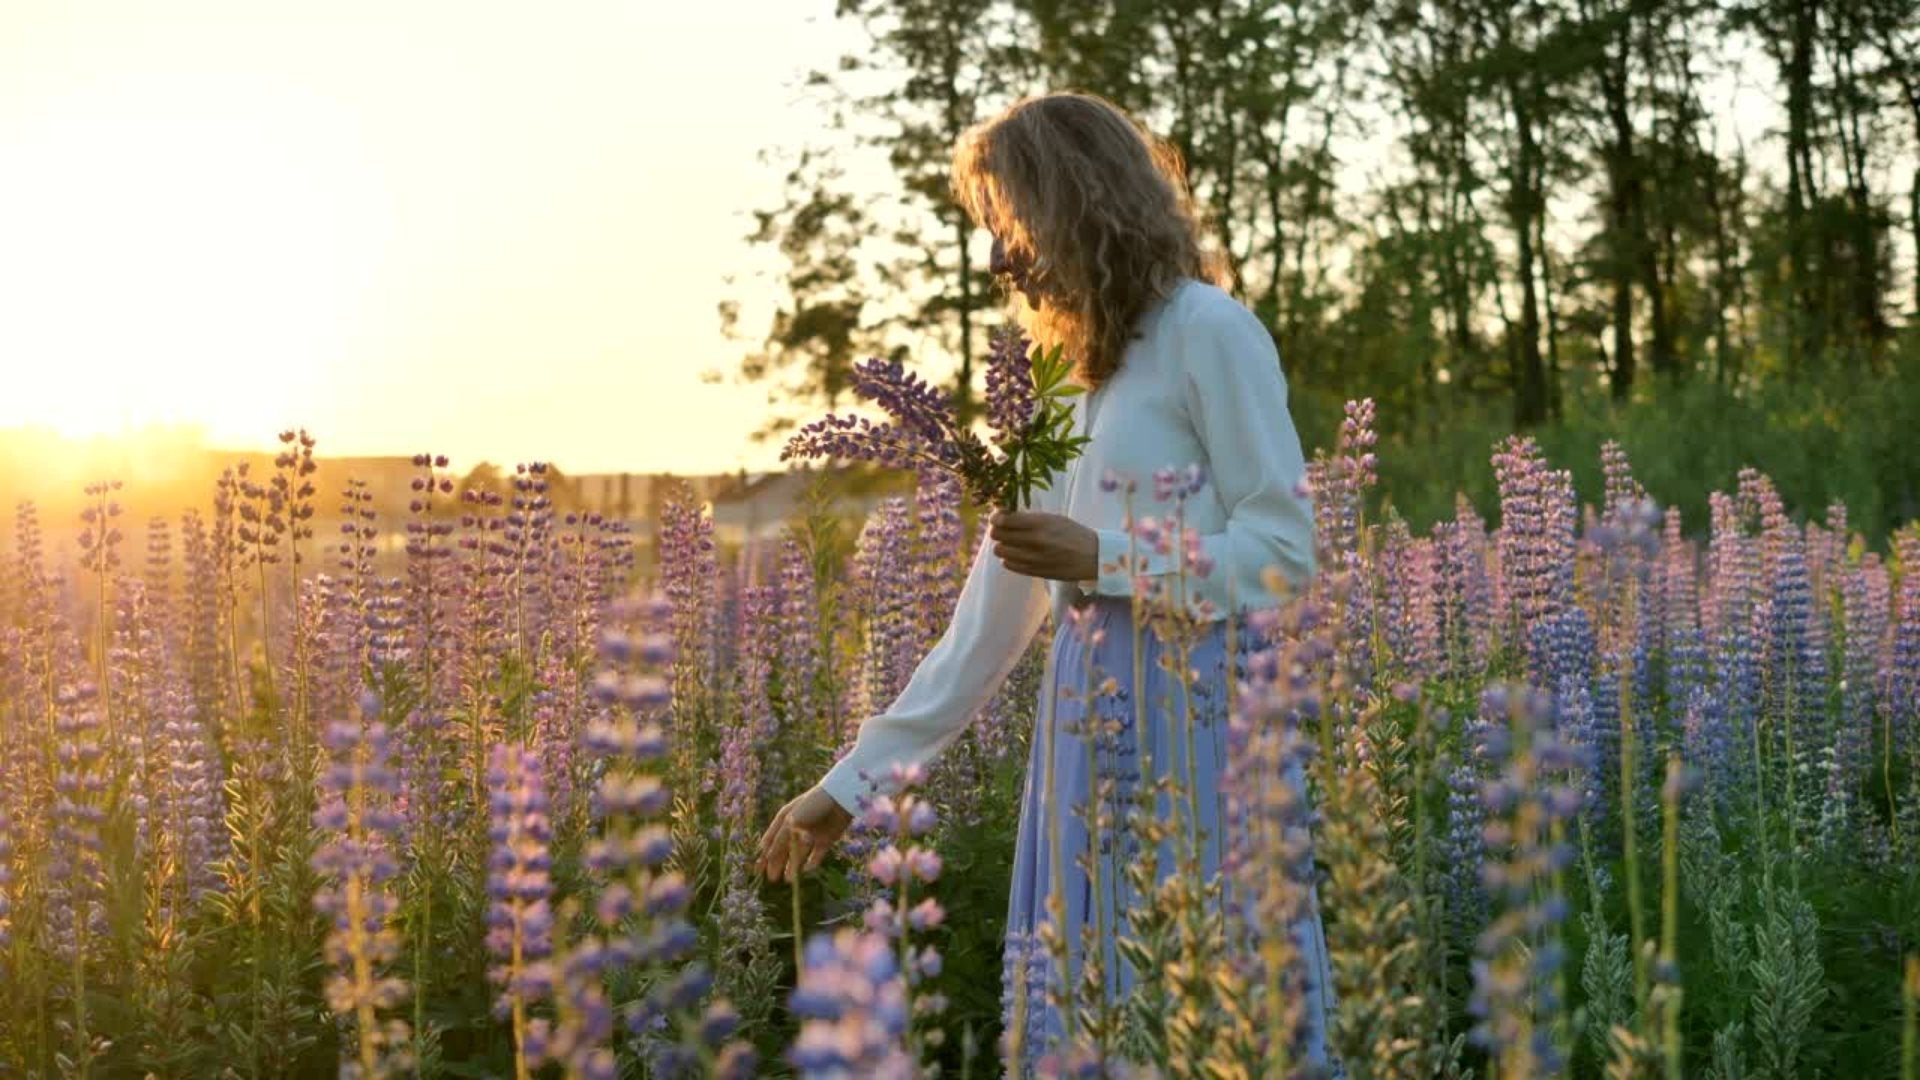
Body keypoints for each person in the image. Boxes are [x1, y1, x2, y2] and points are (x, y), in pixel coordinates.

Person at [756, 90, 1331, 1066]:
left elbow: (1282, 556)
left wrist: (1103, 559)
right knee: (1093, 1011)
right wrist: (856, 780)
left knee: (1212, 1004)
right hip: (1084, 728)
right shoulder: (1065, 376)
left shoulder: (1209, 330)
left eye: (1006, 224)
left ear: (1075, 201)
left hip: (1199, 723)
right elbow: (989, 620)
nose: (996, 259)